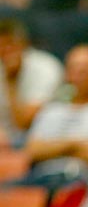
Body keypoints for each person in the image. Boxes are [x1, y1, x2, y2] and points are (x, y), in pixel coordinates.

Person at [22, 42, 88, 190]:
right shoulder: (51, 110)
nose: (79, 74)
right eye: (75, 69)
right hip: (42, 179)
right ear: (67, 74)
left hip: (85, 182)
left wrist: (54, 148)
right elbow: (33, 150)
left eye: (85, 69)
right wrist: (75, 145)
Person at [0, 17, 62, 149]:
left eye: (10, 44)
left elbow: (24, 123)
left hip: (40, 140)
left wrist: (11, 82)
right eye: (1, 46)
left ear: (24, 43)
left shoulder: (46, 67)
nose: (6, 51)